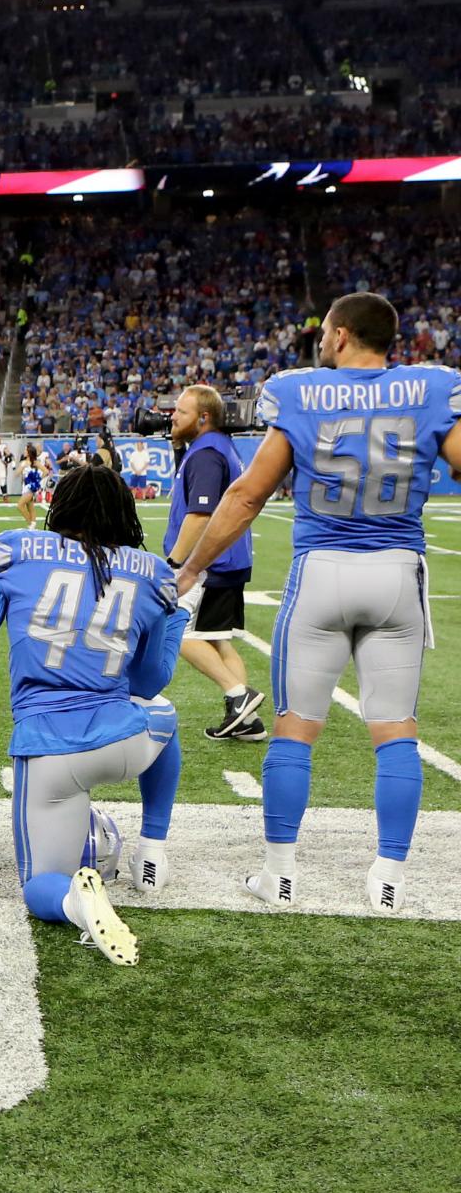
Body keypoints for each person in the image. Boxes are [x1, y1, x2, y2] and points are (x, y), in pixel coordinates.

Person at [175, 290, 461, 914]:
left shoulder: (303, 391)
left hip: (323, 570)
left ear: (337, 336)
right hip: (396, 574)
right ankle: (388, 880)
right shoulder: (432, 388)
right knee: (395, 734)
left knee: (293, 733)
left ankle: (280, 875)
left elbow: (248, 496)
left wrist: (191, 569)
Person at [0, 465, 187, 964]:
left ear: (59, 507)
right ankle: (152, 850)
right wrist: (174, 621)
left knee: (42, 886)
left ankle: (76, 900)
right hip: (127, 744)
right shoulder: (150, 573)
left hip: (50, 750)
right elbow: (147, 683)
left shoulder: (18, 552)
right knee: (162, 711)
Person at [162, 384, 265, 742]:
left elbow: (200, 515)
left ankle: (239, 696)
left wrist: (175, 563)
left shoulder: (206, 452)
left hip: (209, 562)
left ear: (203, 418)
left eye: (181, 412)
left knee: (177, 633)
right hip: (229, 558)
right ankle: (246, 719)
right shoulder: (215, 446)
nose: (172, 416)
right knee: (219, 640)